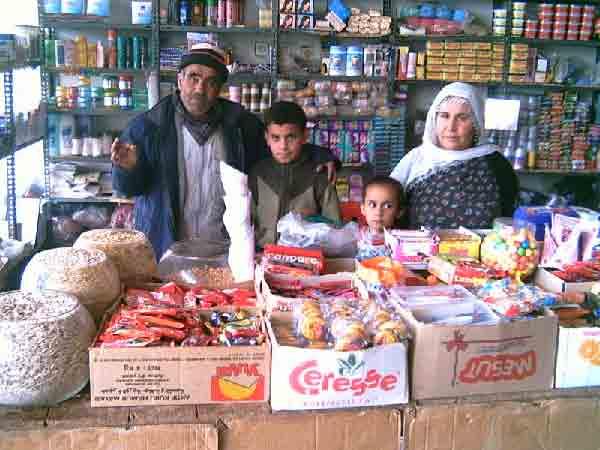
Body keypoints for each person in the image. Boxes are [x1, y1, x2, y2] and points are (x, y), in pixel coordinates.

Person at [111, 44, 337, 259]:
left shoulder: (240, 125)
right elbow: (126, 189)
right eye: (194, 77)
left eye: (210, 82)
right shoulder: (149, 127)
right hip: (165, 250)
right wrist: (128, 169)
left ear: (220, 89)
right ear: (180, 79)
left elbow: (279, 149)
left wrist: (319, 156)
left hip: (224, 252)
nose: (200, 89)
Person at [390, 82, 518, 229]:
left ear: (476, 124)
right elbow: (386, 209)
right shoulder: (415, 160)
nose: (451, 127)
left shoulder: (496, 165)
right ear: (434, 120)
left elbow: (509, 224)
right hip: (418, 250)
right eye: (444, 116)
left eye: (462, 118)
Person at [249, 101, 341, 248]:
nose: (283, 146)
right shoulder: (257, 173)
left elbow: (333, 225)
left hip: (307, 259)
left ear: (305, 136)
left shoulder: (320, 174)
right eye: (276, 138)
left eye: (291, 137)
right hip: (263, 256)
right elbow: (247, 222)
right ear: (266, 138)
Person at [356, 176, 406, 261]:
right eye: (372, 205)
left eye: (387, 206)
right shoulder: (359, 235)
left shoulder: (400, 241)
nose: (378, 212)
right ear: (363, 208)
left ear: (399, 212)